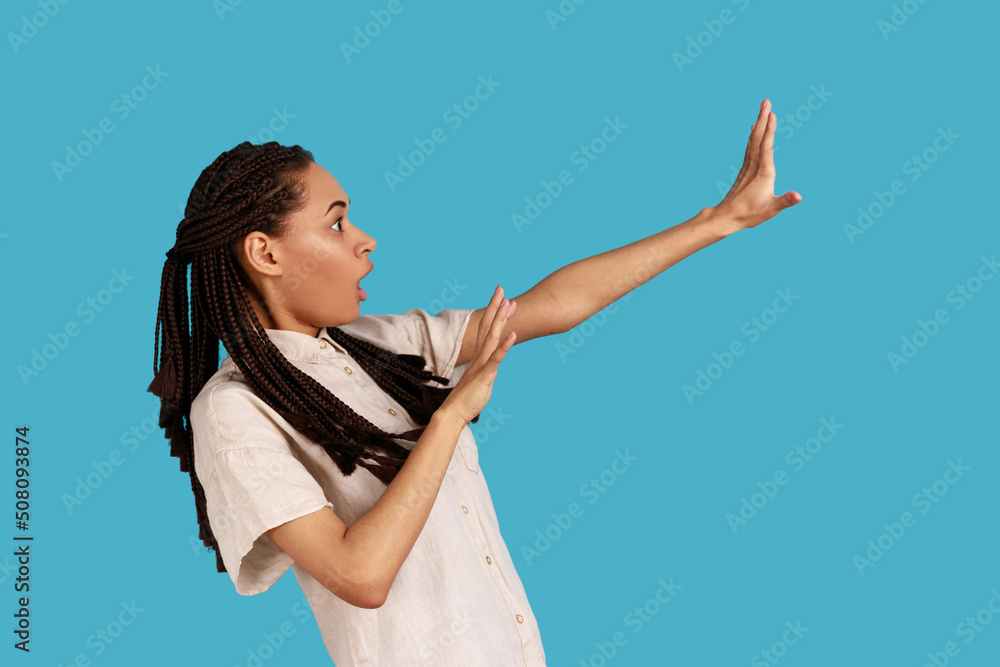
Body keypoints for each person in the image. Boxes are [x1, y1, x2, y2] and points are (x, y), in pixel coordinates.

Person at [147, 99, 800, 666]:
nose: (365, 240)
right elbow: (359, 574)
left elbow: (552, 305)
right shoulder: (233, 410)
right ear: (265, 252)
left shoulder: (382, 346)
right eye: (337, 222)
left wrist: (718, 221)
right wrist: (450, 415)